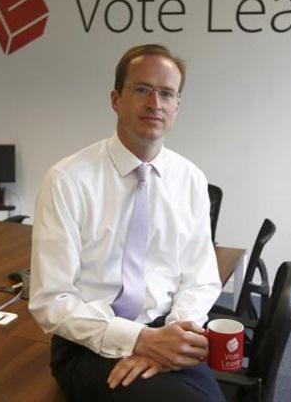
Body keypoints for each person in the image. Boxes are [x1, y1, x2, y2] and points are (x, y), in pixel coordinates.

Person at [29, 44, 224, 401]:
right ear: (116, 100)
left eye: (167, 94)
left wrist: (171, 337)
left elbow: (201, 278)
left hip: (166, 327)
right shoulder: (67, 180)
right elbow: (51, 300)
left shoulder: (191, 179)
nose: (155, 103)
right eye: (142, 89)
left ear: (177, 106)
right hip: (87, 342)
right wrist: (139, 340)